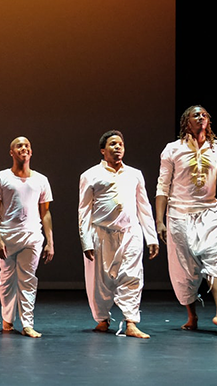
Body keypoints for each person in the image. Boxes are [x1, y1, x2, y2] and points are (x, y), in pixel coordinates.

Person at [78, 130, 158, 338]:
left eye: (120, 144)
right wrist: (86, 241)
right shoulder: (90, 175)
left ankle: (131, 322)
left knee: (132, 277)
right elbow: (84, 210)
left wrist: (151, 237)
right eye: (113, 144)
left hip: (130, 233)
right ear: (103, 151)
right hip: (101, 233)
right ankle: (102, 319)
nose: (118, 147)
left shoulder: (135, 174)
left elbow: (144, 206)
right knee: (100, 281)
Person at [156, 105, 217, 330]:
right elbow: (163, 186)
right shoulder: (173, 149)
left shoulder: (215, 149)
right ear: (186, 122)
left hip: (209, 211)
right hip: (179, 213)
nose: (200, 117)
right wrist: (160, 220)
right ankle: (192, 317)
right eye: (195, 115)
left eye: (204, 115)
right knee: (185, 269)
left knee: (215, 260)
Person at [0, 136, 54, 338]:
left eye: (27, 146)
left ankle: (27, 324)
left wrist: (50, 241)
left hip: (32, 236)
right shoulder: (1, 177)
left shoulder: (41, 180)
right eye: (19, 146)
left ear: (31, 152)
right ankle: (7, 321)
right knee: (7, 279)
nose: (24, 148)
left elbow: (45, 213)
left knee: (28, 280)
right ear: (11, 152)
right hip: (9, 236)